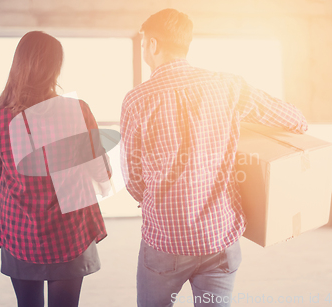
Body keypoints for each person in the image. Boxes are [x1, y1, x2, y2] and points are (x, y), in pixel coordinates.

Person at [120, 9, 308, 307]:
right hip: (219, 238)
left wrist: (156, 199)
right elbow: (294, 120)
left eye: (143, 44)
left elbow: (132, 177)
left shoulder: (138, 100)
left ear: (153, 45)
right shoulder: (228, 85)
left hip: (166, 240)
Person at [0, 31, 111, 307]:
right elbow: (101, 173)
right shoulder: (77, 110)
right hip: (70, 232)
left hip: (19, 232)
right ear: (54, 68)